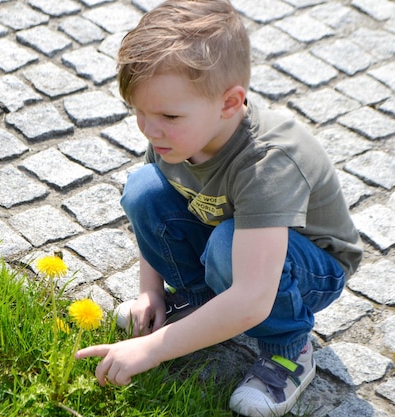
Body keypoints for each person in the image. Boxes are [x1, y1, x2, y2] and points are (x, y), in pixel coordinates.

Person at [74, 1, 364, 416]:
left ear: (230, 103)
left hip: (309, 269)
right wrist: (149, 292)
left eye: (168, 115)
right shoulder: (178, 133)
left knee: (229, 248)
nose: (150, 129)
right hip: (231, 246)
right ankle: (200, 301)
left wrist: (151, 351)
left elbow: (252, 298)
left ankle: (288, 349)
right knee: (143, 189)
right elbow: (162, 196)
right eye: (140, 112)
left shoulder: (267, 161)